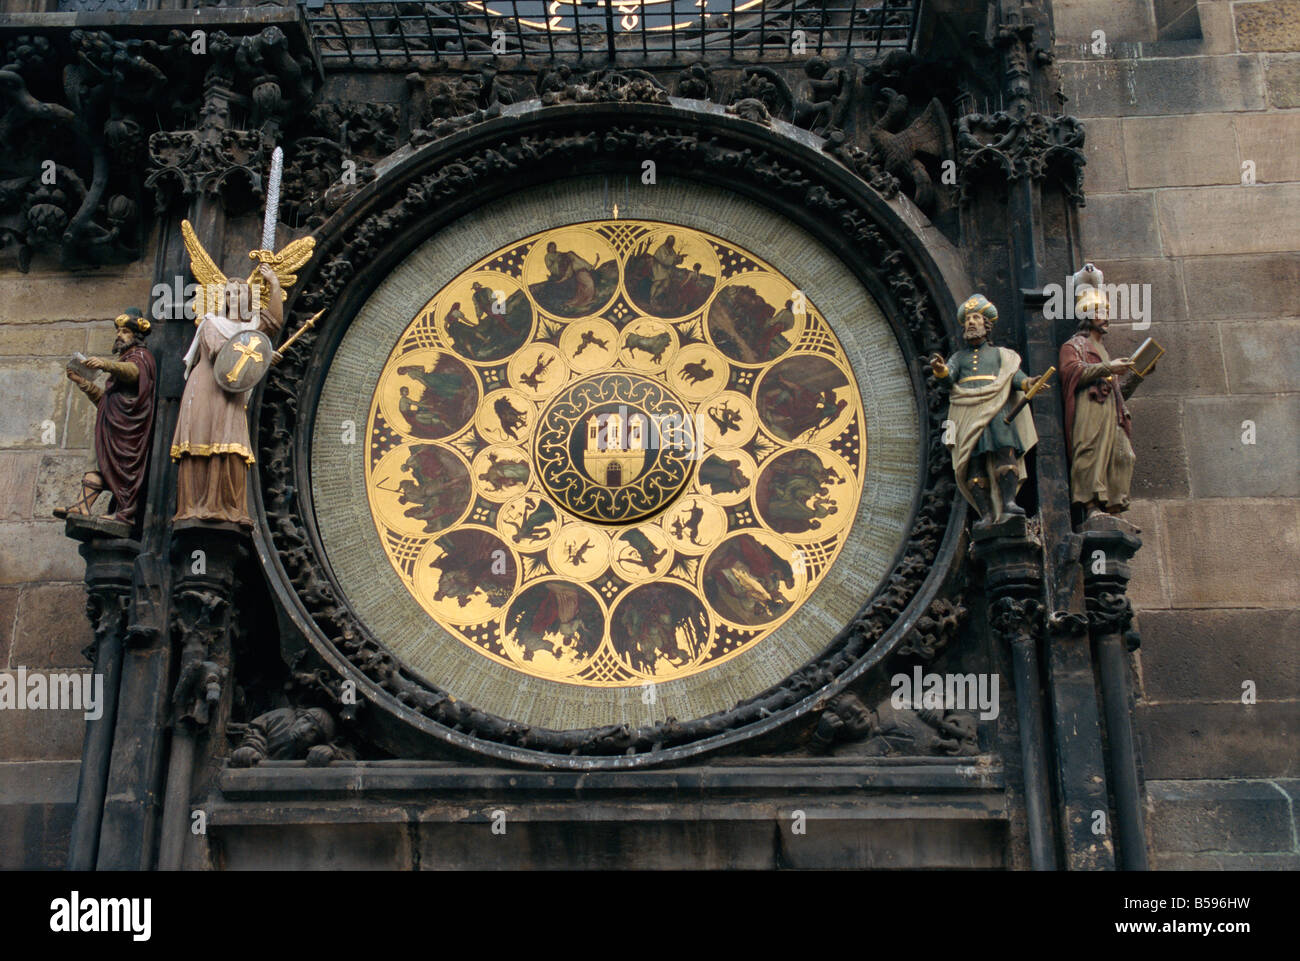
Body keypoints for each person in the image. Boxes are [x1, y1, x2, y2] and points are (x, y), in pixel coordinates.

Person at [170, 264, 282, 525]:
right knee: (203, 440)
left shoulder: (253, 326)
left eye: (240, 293)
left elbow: (273, 321)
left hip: (231, 393)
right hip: (208, 387)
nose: (234, 298)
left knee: (232, 445)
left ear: (249, 298)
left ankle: (229, 508)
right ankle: (195, 506)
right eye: (229, 294)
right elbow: (221, 352)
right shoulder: (212, 323)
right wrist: (262, 354)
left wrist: (274, 284)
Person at [929, 294, 1044, 527]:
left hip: (996, 410)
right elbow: (948, 379)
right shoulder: (958, 358)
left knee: (1005, 452)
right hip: (967, 412)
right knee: (973, 462)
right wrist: (941, 370)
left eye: (976, 318)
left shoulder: (1001, 355)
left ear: (986, 324)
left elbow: (1012, 376)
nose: (971, 323)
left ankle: (1009, 502)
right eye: (968, 319)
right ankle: (985, 513)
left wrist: (1028, 383)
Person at [58, 308, 156, 527]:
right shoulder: (124, 362)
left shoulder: (141, 357)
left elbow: (134, 373)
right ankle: (83, 505)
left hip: (128, 431)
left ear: (136, 336)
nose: (119, 335)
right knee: (96, 464)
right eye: (118, 331)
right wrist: (82, 382)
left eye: (125, 332)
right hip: (110, 424)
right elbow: (106, 400)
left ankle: (125, 515)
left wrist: (105, 364)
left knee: (124, 470)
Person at [1059, 284, 1140, 517]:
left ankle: (1114, 507)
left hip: (1111, 410)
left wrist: (1139, 375)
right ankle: (1091, 506)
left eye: (1105, 312)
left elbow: (1118, 391)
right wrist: (1108, 366)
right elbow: (1072, 372)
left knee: (1124, 455)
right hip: (1090, 407)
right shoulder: (1074, 346)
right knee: (1091, 451)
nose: (1105, 317)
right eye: (1098, 312)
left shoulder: (1103, 350)